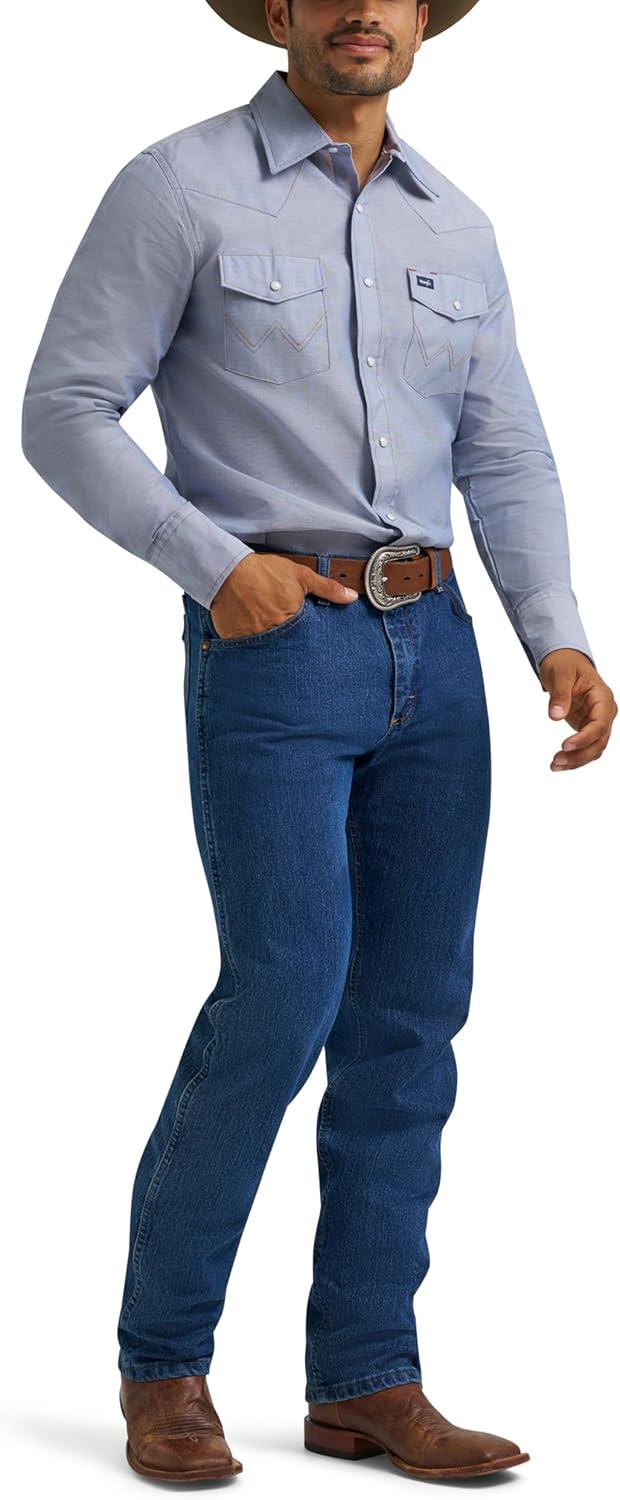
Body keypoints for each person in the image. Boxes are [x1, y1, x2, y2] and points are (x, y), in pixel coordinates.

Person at [21, 0, 616, 1484]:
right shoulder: (179, 185)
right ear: (279, 10)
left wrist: (556, 633)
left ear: (419, 22)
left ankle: (366, 1380)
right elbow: (64, 408)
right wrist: (213, 564)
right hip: (278, 646)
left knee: (410, 1020)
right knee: (283, 993)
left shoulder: (456, 222)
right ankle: (165, 1364)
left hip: (441, 655)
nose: (366, 10)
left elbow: (506, 449)